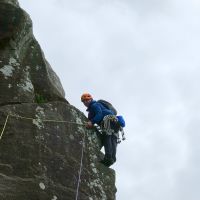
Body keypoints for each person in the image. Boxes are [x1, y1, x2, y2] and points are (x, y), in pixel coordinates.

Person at [81, 93, 120, 167]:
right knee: (113, 138)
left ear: (91, 99)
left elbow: (99, 114)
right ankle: (112, 158)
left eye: (87, 100)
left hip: (108, 121)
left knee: (107, 138)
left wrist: (91, 122)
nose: (85, 102)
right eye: (84, 101)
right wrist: (90, 122)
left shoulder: (94, 105)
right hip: (115, 122)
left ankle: (108, 158)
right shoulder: (92, 110)